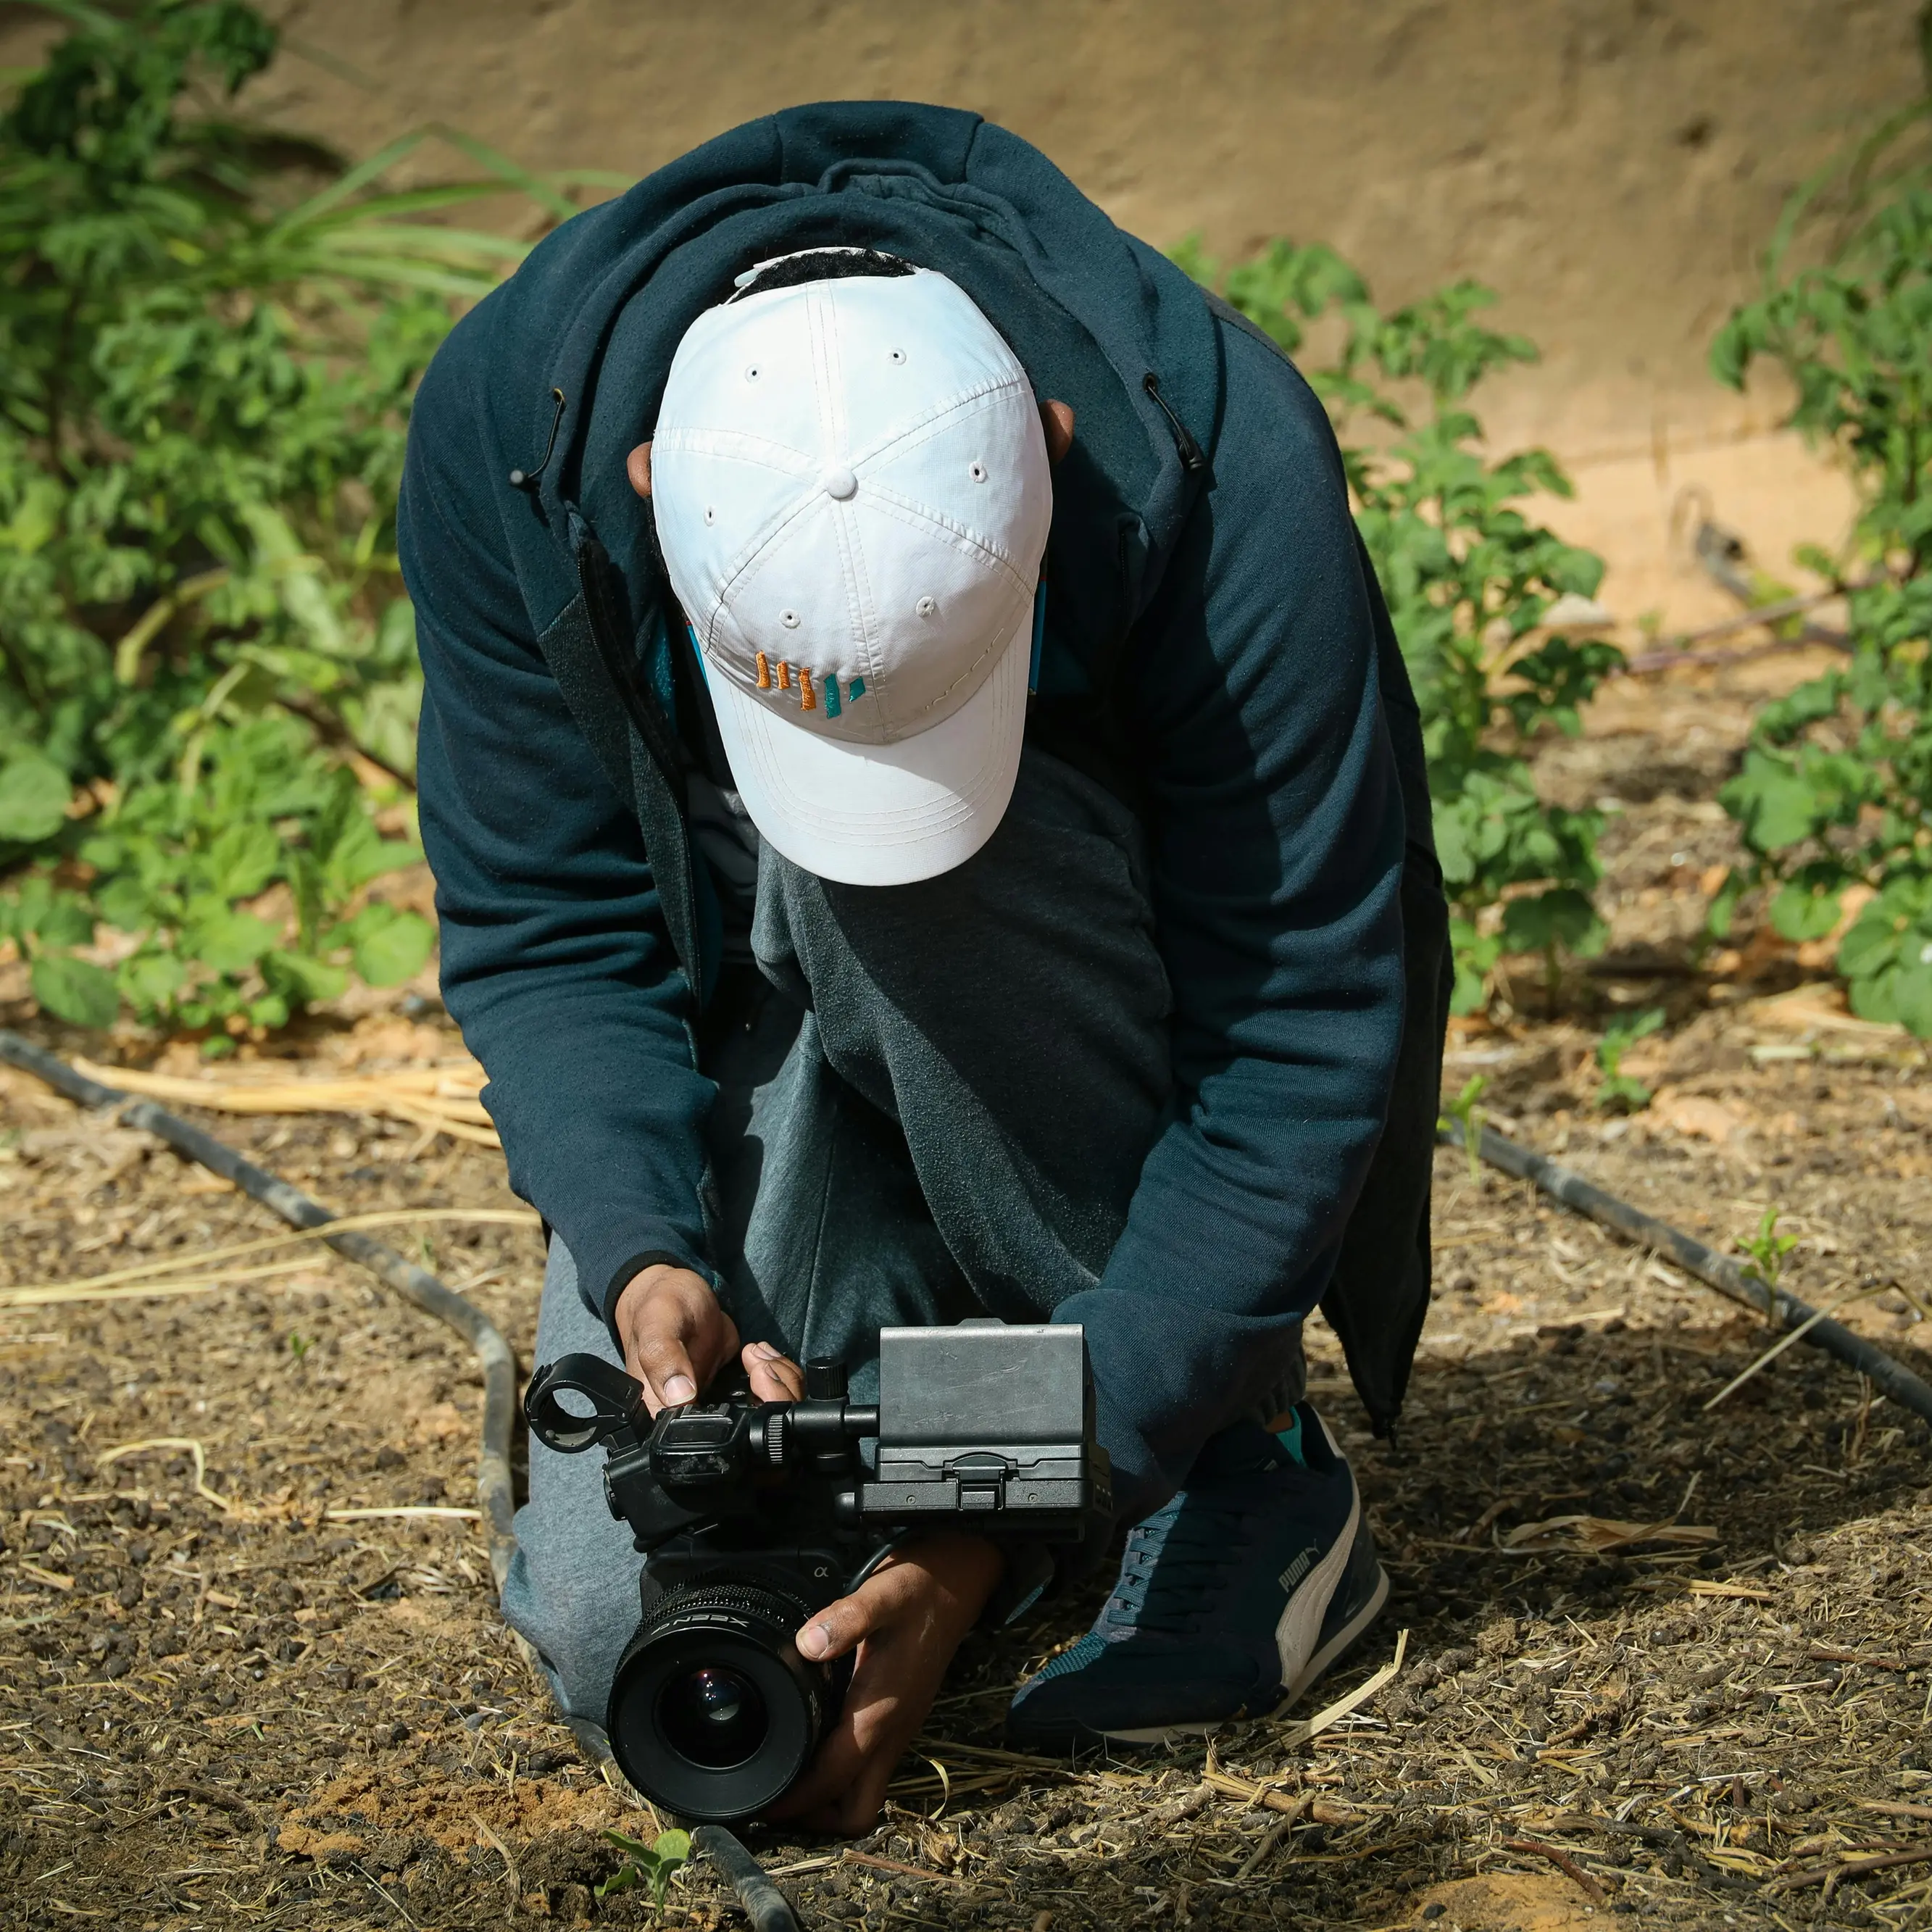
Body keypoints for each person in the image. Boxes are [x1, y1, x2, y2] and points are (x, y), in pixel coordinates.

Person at [399, 101, 1449, 1835]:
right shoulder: (523, 433)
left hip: (1074, 1028)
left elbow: (1297, 1025)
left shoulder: (1211, 448)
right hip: (780, 1021)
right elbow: (546, 923)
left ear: (1047, 444)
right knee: (629, 1649)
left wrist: (989, 1509)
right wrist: (643, 1242)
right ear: (649, 490)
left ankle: (1230, 1454)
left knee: (894, 886)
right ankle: (984, 1385)